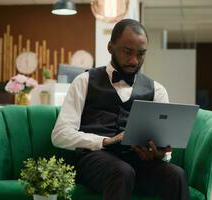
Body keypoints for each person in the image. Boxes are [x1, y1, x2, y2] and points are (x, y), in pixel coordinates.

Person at [52, 19, 189, 200]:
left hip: (140, 164)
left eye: (141, 54)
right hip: (95, 161)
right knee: (122, 172)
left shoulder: (157, 90)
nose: (134, 60)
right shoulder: (84, 81)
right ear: (110, 47)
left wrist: (160, 155)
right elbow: (60, 134)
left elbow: (164, 144)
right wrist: (105, 141)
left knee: (176, 175)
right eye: (127, 52)